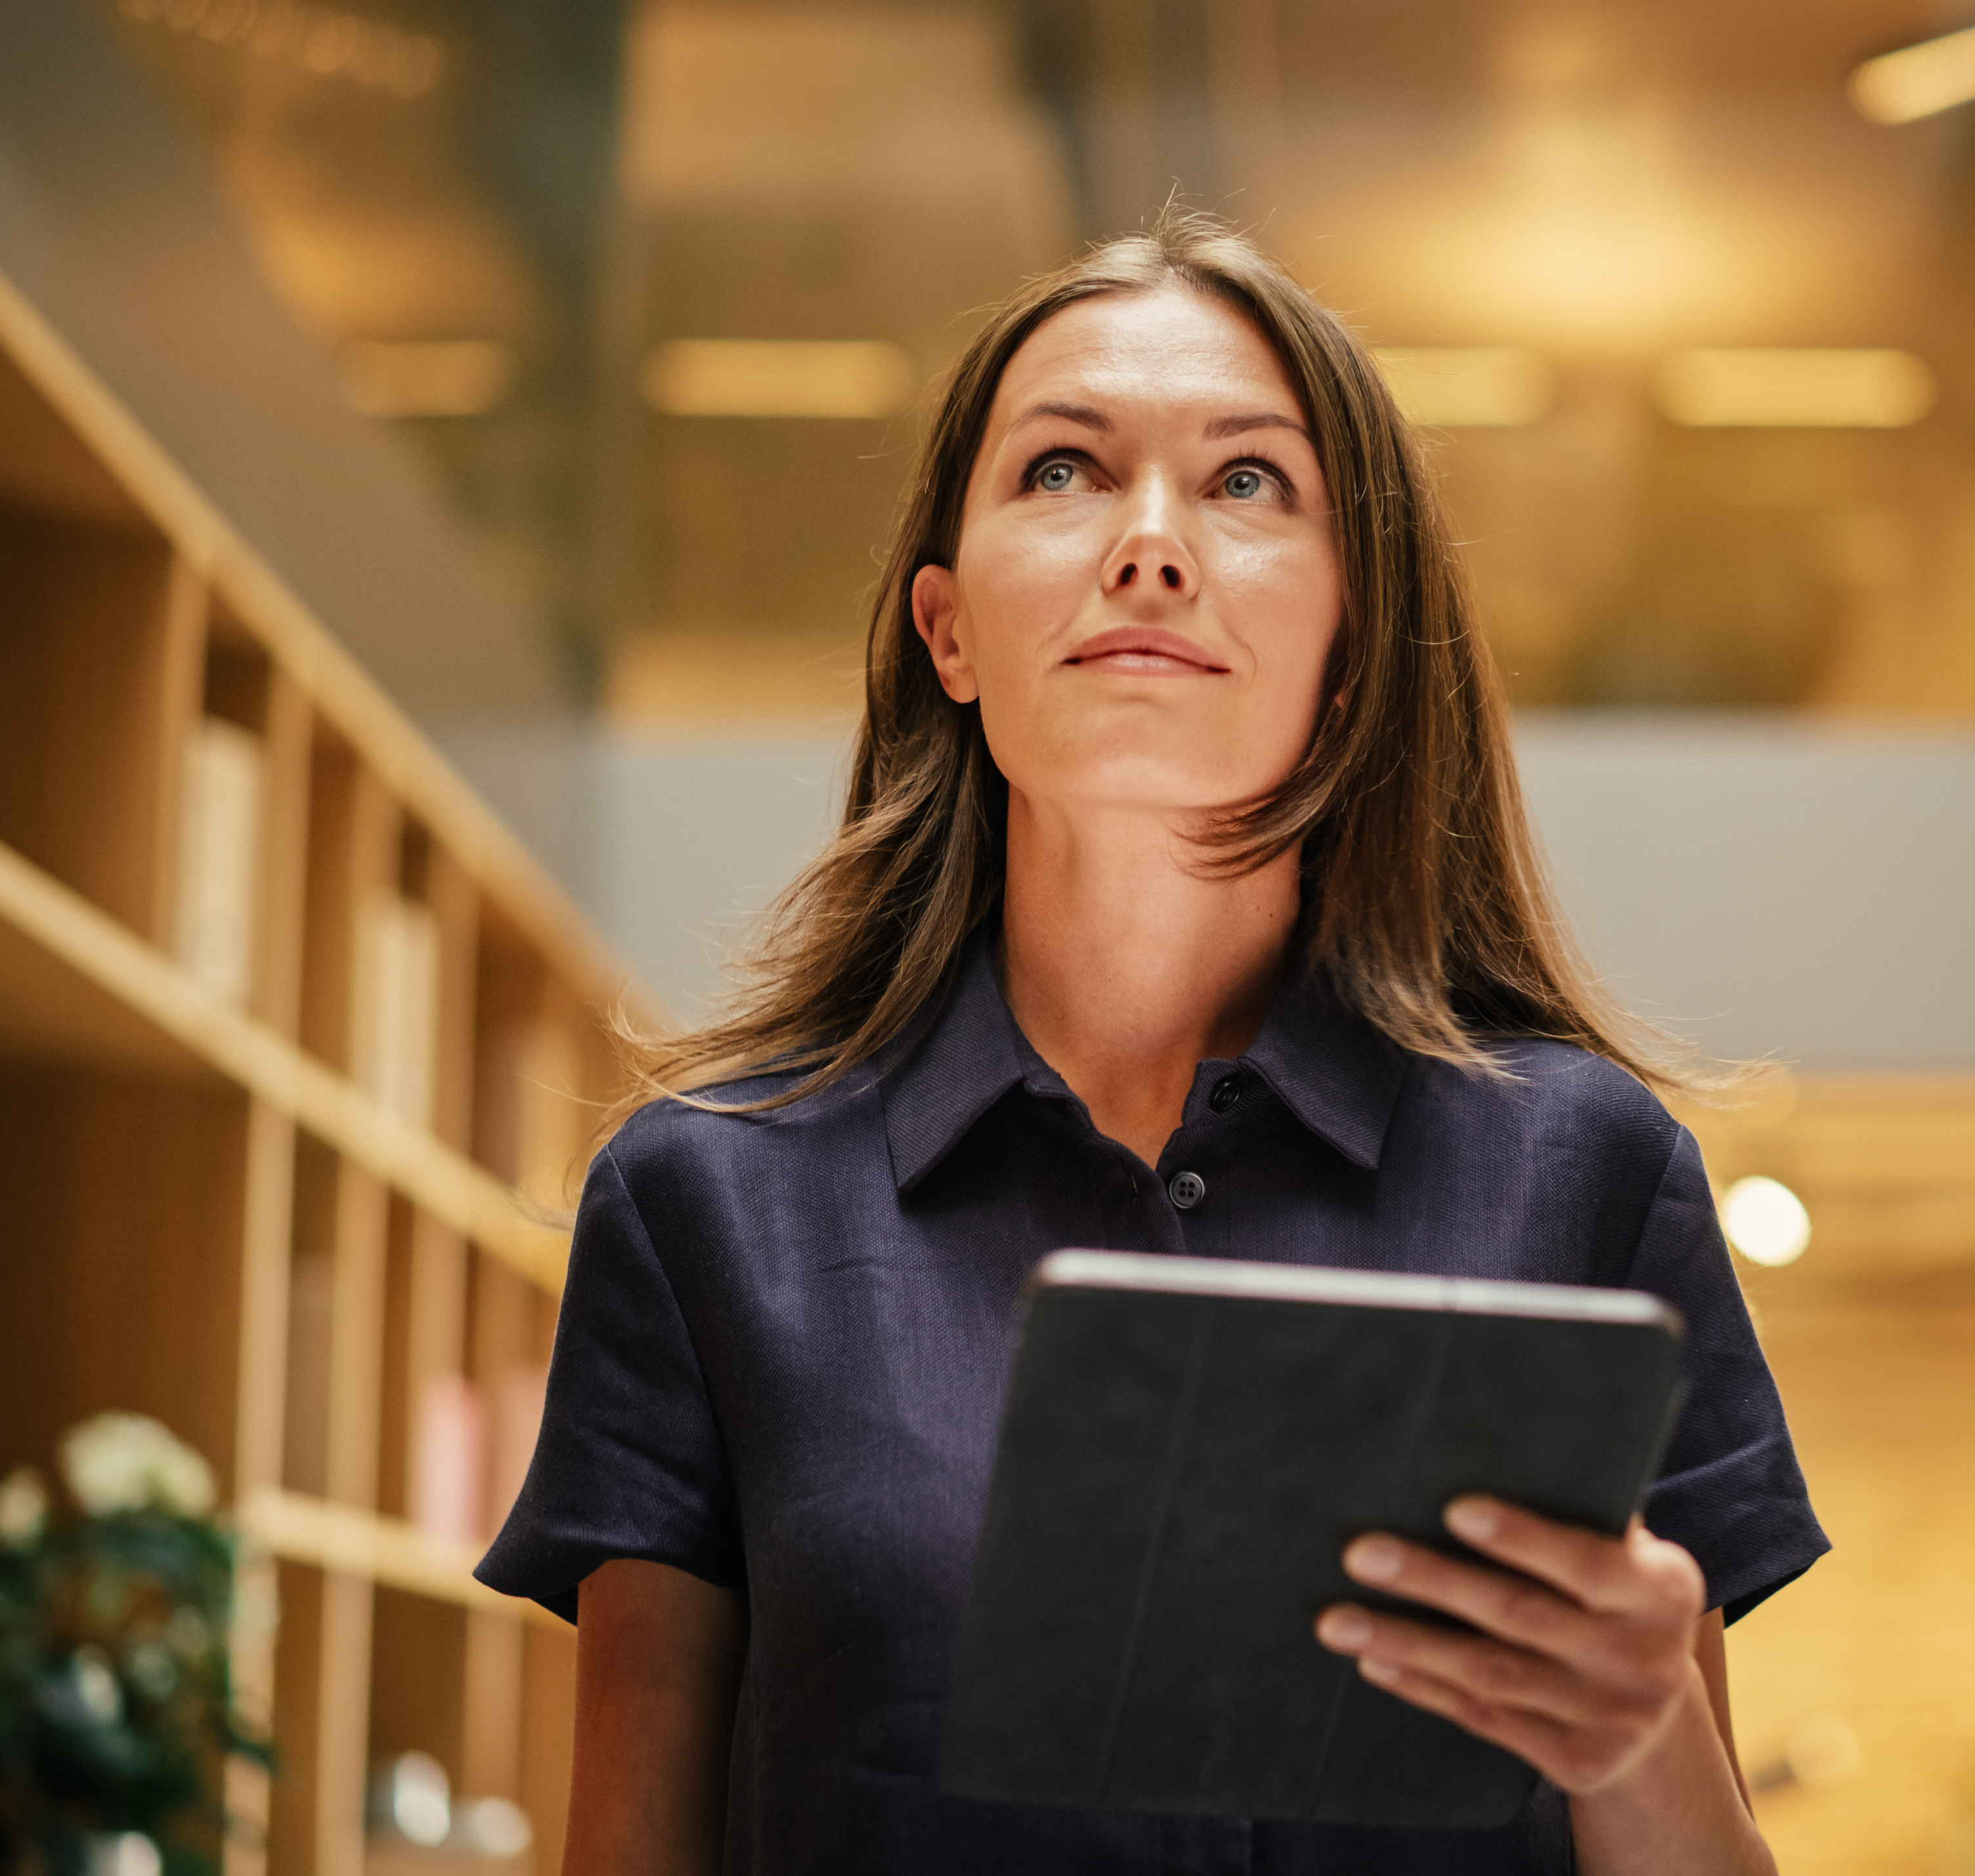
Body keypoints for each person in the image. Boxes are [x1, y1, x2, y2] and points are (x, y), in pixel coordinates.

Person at [476, 212, 1826, 1874]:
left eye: (1249, 483)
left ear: (1352, 647)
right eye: (1061, 470)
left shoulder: (1592, 1176)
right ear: (947, 629)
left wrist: (1641, 1740)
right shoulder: (705, 1206)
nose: (1151, 546)